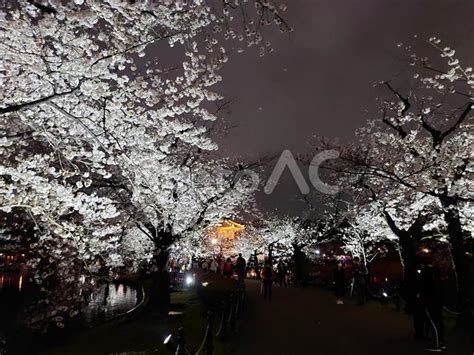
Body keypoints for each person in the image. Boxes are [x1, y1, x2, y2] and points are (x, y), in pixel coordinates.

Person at [418, 259, 446, 352]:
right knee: (438, 320)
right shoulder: (436, 272)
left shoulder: (426, 273)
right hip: (437, 299)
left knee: (433, 322)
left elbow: (423, 287)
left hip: (430, 300)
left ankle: (436, 344)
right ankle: (440, 342)